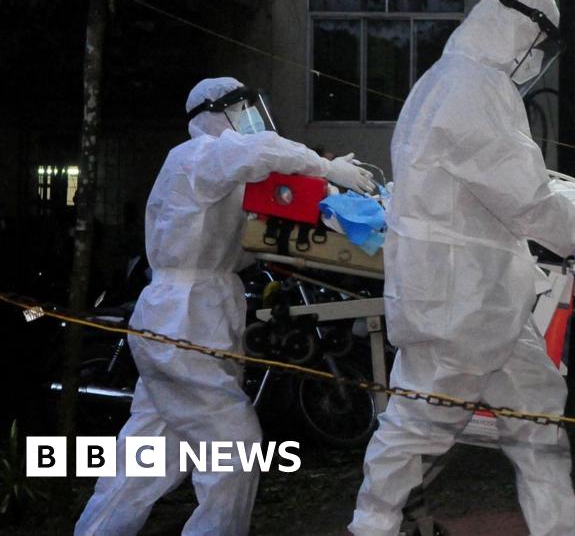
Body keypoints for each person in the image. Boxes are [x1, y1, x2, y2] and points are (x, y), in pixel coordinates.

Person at [348, 0, 575, 536]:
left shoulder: (448, 79)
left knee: (536, 408)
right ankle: (371, 526)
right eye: (538, 46)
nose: (536, 59)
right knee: (419, 421)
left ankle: (558, 526)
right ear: (521, 31)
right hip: (459, 298)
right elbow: (518, 187)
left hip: (483, 296)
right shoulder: (474, 85)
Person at [75, 77, 374, 536]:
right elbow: (261, 151)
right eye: (241, 109)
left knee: (150, 450)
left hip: (192, 315)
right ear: (216, 113)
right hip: (183, 319)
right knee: (235, 444)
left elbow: (248, 229)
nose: (249, 119)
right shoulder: (197, 156)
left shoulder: (222, 172)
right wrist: (323, 166)